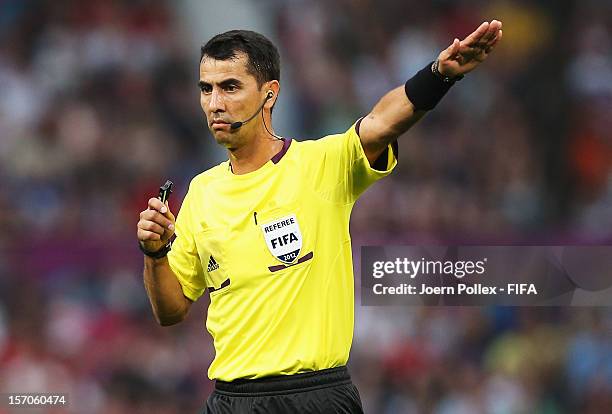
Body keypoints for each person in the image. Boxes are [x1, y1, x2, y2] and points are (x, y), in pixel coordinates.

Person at [137, 21, 503, 414]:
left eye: (230, 87)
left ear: (269, 94)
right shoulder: (202, 193)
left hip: (317, 397)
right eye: (205, 89)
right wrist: (155, 254)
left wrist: (438, 76)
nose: (214, 103)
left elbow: (381, 123)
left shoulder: (320, 165)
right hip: (232, 401)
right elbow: (170, 310)